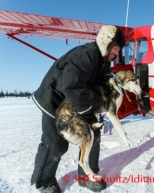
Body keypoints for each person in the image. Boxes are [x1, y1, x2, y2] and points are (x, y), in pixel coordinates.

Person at [31, 25, 125, 193]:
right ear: (107, 42)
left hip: (75, 104)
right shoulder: (86, 55)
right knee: (55, 144)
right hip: (54, 100)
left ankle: (87, 174)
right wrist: (88, 114)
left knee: (93, 135)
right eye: (116, 48)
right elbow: (71, 86)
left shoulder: (102, 61)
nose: (117, 53)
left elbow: (101, 80)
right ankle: (45, 182)